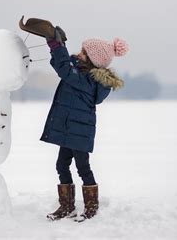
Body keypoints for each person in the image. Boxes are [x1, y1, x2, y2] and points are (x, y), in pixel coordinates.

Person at [39, 25, 129, 222]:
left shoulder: (88, 81)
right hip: (69, 129)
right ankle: (67, 206)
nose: (78, 54)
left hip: (79, 131)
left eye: (83, 52)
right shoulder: (79, 73)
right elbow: (62, 66)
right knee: (61, 165)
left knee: (82, 167)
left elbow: (65, 69)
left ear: (92, 60)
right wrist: (57, 45)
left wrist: (57, 46)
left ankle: (91, 207)